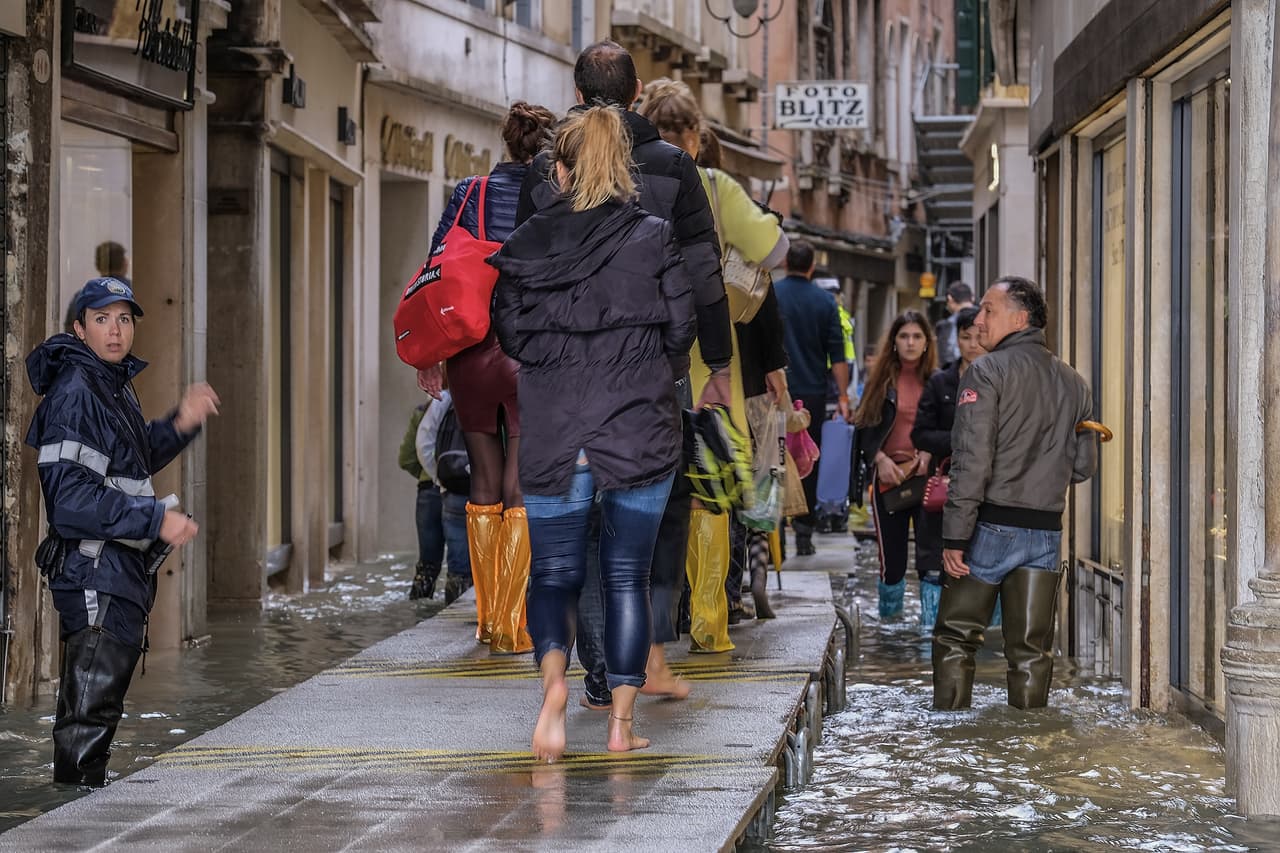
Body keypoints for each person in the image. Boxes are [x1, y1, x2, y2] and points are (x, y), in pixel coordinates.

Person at [516, 43, 734, 704]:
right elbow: (702, 275)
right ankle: (638, 658)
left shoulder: (547, 170)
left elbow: (525, 274)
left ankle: (600, 665)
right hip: (648, 375)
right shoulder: (673, 168)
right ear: (638, 91)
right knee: (649, 522)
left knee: (579, 524)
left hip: (564, 378)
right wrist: (713, 362)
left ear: (577, 93)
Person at [490, 105, 696, 763]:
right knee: (626, 573)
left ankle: (553, 689)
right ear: (622, 168)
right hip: (637, 425)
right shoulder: (656, 236)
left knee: (552, 571)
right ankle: (621, 724)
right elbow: (681, 330)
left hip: (553, 425)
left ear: (558, 167)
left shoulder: (527, 241)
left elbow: (510, 333)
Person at [26, 276, 218, 787]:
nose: (116, 330)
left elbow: (130, 460)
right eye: (102, 318)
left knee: (94, 712)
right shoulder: (75, 393)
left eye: (125, 319)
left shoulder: (107, 386)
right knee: (88, 718)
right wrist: (155, 519)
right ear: (79, 328)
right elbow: (69, 501)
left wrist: (181, 422)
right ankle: (68, 825)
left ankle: (74, 810)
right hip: (95, 573)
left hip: (114, 573)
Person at [638, 78, 789, 647]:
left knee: (644, 483)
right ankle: (706, 622)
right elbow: (776, 251)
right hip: (708, 361)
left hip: (637, 354)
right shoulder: (714, 185)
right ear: (697, 137)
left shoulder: (621, 180)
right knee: (707, 483)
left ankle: (648, 621)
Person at [417, 101, 557, 654]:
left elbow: (435, 270)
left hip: (471, 350)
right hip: (532, 353)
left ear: (505, 141)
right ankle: (517, 619)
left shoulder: (469, 194)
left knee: (482, 477)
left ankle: (489, 619)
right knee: (522, 480)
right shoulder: (557, 196)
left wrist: (431, 354)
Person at [934, 277, 1098, 711]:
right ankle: (1030, 742)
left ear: (1020, 318)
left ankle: (949, 745)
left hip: (990, 526)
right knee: (1031, 652)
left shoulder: (986, 372)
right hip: (1045, 532)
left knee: (956, 638)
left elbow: (971, 460)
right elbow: (1082, 468)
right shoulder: (1074, 382)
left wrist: (954, 537)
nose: (978, 319)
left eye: (989, 310)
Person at [852, 309, 940, 621]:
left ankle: (931, 633)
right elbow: (863, 427)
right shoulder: (881, 382)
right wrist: (879, 458)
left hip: (927, 478)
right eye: (904, 336)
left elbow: (948, 429)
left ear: (927, 342)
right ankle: (890, 630)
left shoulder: (938, 381)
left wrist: (927, 454)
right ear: (894, 342)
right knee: (892, 562)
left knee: (932, 560)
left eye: (917, 336)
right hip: (888, 478)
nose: (911, 342)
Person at [773, 239, 851, 556]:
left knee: (773, 457)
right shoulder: (825, 302)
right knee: (807, 457)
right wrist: (844, 396)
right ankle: (804, 533)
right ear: (811, 267)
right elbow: (838, 354)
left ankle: (773, 529)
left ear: (786, 262)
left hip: (772, 392)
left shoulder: (770, 295)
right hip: (812, 395)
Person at [910, 306, 981, 634]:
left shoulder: (999, 379)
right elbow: (920, 433)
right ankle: (930, 634)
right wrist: (961, 439)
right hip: (942, 488)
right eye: (966, 337)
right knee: (934, 561)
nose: (973, 344)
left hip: (984, 490)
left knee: (979, 565)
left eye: (978, 336)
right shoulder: (940, 382)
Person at [398, 394, 472, 603]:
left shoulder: (426, 409)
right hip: (465, 488)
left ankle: (420, 607)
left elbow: (406, 458)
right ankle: (458, 612)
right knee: (463, 564)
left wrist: (434, 477)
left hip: (430, 490)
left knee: (427, 566)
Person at [934, 281, 975, 367]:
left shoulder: (948, 325)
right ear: (972, 298)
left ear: (950, 299)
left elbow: (946, 357)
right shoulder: (986, 319)